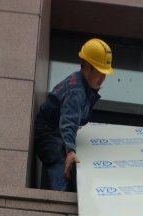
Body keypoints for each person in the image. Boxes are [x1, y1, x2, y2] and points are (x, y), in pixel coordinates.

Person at [34, 38, 113, 191]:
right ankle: (60, 202)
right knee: (63, 176)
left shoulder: (82, 86)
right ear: (87, 67)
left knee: (72, 172)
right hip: (49, 136)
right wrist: (70, 151)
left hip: (55, 133)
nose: (103, 78)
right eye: (100, 72)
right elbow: (68, 122)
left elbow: (69, 119)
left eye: (105, 73)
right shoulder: (76, 91)